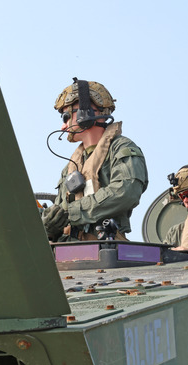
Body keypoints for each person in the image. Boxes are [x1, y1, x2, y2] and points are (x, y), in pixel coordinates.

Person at [42, 78, 148, 242]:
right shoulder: (72, 166)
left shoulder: (121, 149)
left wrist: (73, 212)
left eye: (66, 117)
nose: (63, 126)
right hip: (69, 249)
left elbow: (126, 192)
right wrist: (50, 226)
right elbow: (61, 209)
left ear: (86, 112)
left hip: (106, 250)